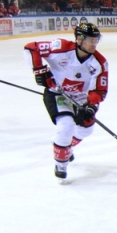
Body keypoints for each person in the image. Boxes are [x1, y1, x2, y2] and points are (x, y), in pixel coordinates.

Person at [23, 23, 109, 180]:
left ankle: (65, 146)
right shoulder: (60, 47)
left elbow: (99, 90)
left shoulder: (99, 62)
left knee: (86, 130)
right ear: (79, 39)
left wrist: (91, 106)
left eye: (96, 40)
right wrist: (39, 71)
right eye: (91, 40)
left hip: (81, 98)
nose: (94, 44)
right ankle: (61, 164)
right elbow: (31, 48)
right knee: (66, 126)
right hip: (57, 93)